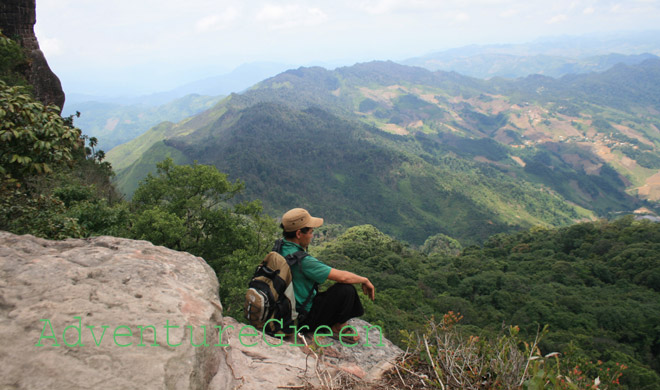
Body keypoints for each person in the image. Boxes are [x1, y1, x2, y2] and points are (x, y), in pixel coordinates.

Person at [277, 208, 375, 342]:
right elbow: (343, 277)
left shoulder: (280, 247)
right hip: (302, 319)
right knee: (346, 290)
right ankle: (338, 327)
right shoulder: (303, 261)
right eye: (311, 232)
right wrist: (364, 280)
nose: (312, 236)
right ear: (299, 233)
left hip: (283, 312)